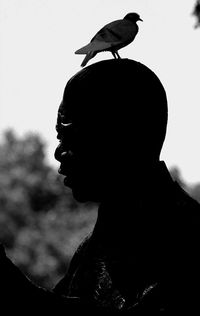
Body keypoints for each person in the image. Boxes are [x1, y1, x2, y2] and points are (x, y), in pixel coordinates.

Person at [0, 58, 200, 314]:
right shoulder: (95, 249)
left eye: (70, 136)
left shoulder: (186, 242)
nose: (59, 153)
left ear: (119, 135)